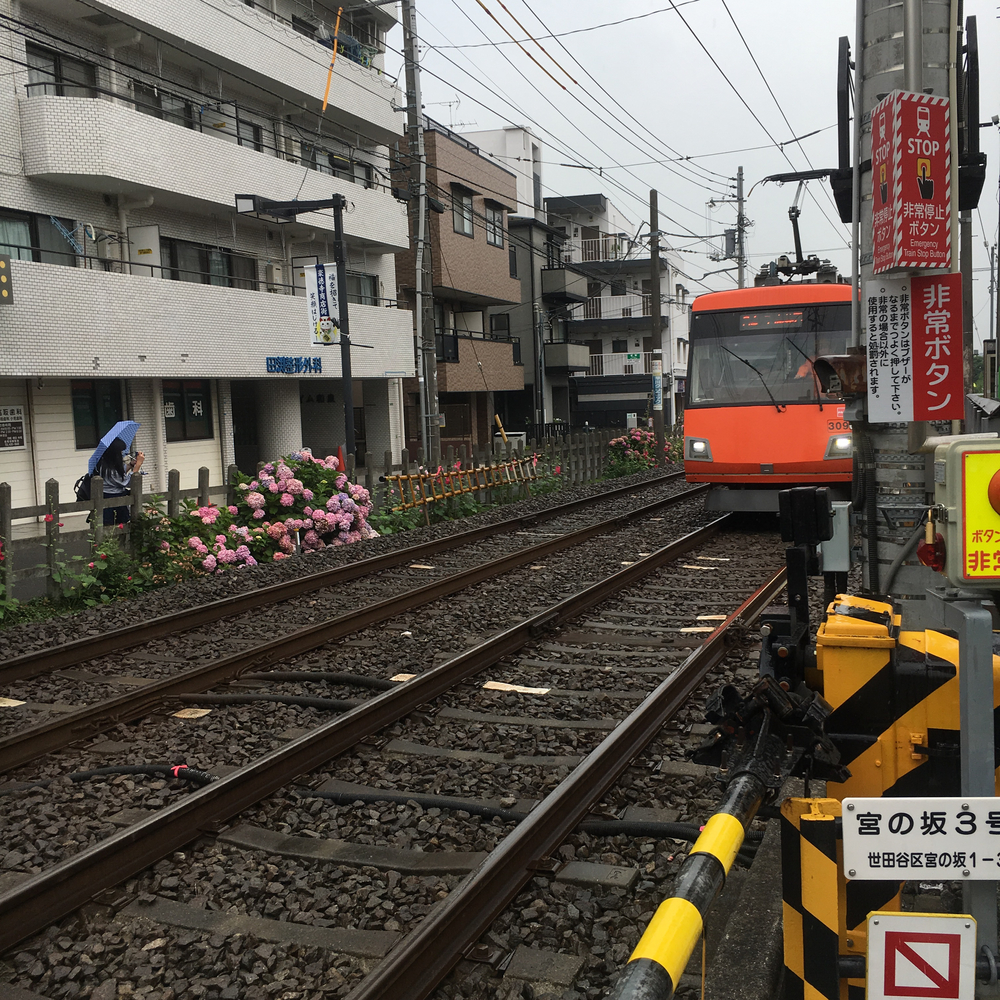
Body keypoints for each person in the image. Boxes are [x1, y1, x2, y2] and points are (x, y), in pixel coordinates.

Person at [93, 438, 144, 525]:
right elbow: (128, 482)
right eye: (120, 451)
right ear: (114, 453)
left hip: (106, 498)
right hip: (113, 500)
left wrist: (131, 464)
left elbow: (119, 474)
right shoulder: (109, 470)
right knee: (117, 528)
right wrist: (138, 465)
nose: (122, 454)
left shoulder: (103, 464)